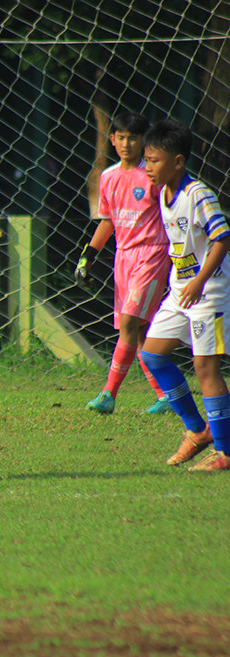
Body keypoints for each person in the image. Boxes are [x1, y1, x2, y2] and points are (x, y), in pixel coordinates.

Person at [137, 119, 230, 471]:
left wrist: (198, 281)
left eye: (154, 160)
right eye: (146, 160)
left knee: (205, 366)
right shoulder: (162, 193)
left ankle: (224, 451)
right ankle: (197, 430)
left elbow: (222, 238)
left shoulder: (199, 195)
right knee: (153, 356)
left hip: (209, 292)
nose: (148, 168)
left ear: (178, 161)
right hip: (181, 291)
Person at [75, 111, 171, 415]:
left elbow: (171, 215)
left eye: (133, 137)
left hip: (153, 254)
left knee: (129, 322)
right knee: (139, 332)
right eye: (121, 137)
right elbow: (109, 221)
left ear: (143, 141)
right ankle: (165, 395)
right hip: (124, 258)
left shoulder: (153, 175)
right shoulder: (108, 176)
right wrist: (87, 256)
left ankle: (108, 394)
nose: (126, 143)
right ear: (112, 140)